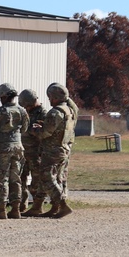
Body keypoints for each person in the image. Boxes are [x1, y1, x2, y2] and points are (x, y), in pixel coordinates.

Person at [0, 83, 29, 219]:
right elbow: (24, 129)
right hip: (18, 147)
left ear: (3, 97)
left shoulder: (0, 111)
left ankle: (2, 209)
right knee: (16, 178)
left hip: (3, 147)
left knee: (1, 177)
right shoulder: (22, 111)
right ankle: (16, 209)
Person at [33, 83, 77, 218]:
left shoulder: (55, 112)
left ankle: (62, 205)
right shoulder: (69, 110)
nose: (49, 100)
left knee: (46, 177)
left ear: (56, 97)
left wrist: (35, 130)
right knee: (57, 178)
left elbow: (46, 133)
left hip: (52, 150)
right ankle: (55, 208)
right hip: (63, 148)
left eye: (51, 97)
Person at [18, 89, 50, 216]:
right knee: (20, 179)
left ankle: (37, 206)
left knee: (37, 180)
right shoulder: (26, 112)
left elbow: (45, 133)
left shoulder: (43, 114)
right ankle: (21, 205)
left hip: (36, 152)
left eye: (27, 105)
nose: (26, 107)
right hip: (23, 151)